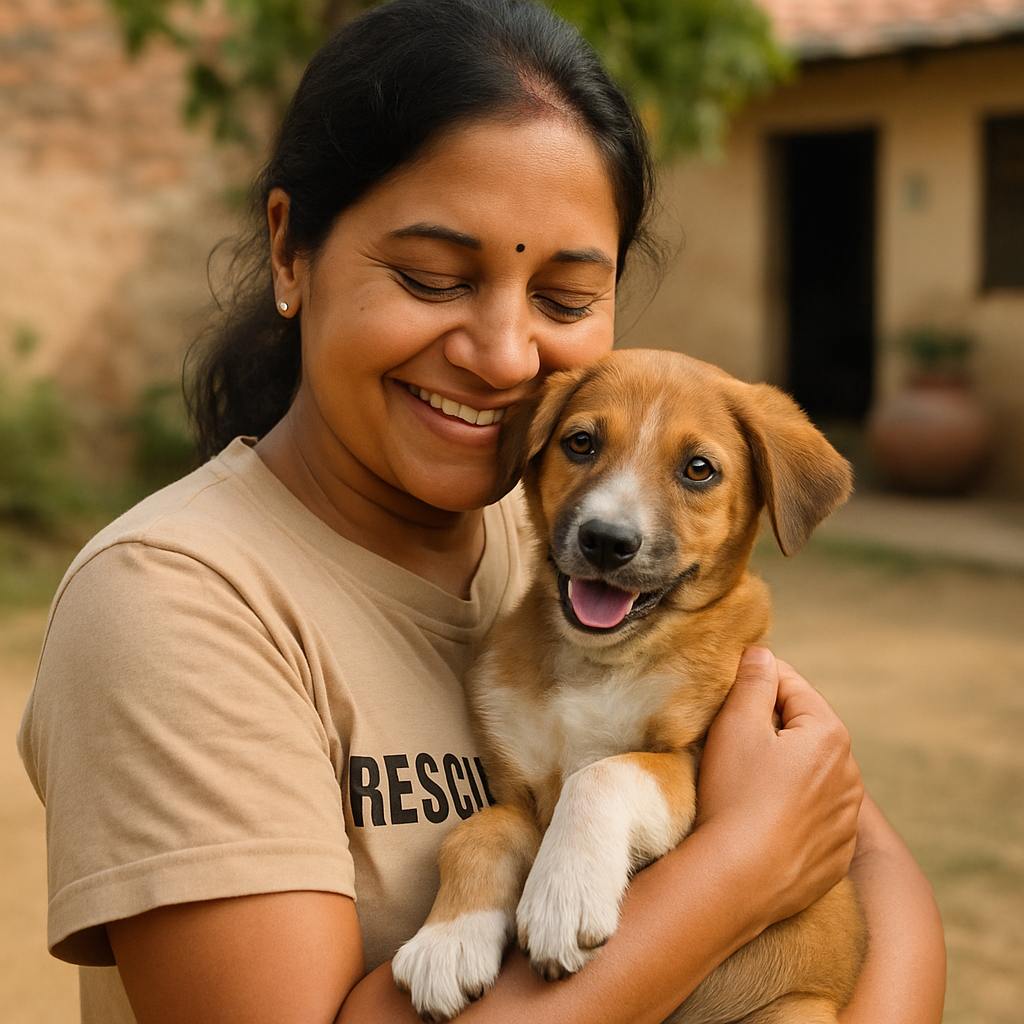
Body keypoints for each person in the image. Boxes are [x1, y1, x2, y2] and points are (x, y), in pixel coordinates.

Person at [18, 1, 945, 1022]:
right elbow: (772, 845)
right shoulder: (173, 604)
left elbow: (858, 854)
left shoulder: (569, 551)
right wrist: (732, 874)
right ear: (290, 251)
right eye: (429, 277)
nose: (505, 356)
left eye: (562, 300)